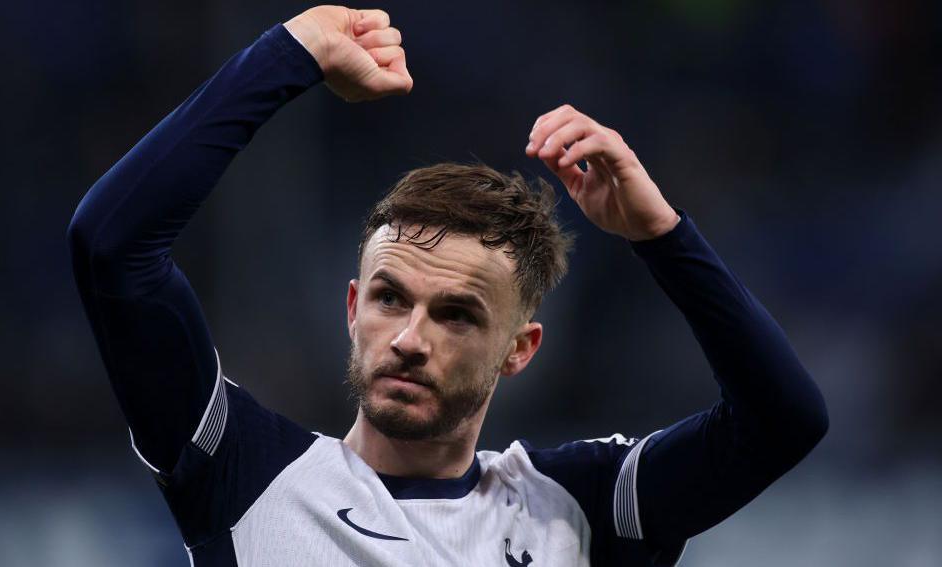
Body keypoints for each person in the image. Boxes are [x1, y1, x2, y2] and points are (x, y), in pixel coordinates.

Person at [67, 5, 828, 566]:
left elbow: (784, 420)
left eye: (457, 314)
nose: (409, 338)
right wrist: (290, 51)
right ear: (353, 306)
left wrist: (660, 233)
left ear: (518, 349)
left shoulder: (578, 508)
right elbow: (112, 246)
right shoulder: (246, 472)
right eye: (391, 297)